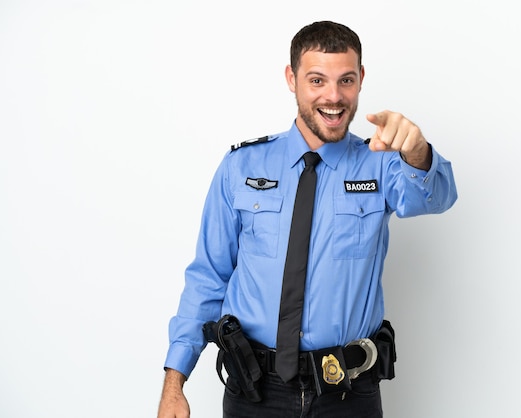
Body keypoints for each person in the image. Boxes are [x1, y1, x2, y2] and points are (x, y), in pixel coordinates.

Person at [157, 20, 457, 418]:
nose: (333, 97)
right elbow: (208, 278)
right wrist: (174, 383)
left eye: (346, 80)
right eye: (317, 80)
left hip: (348, 395)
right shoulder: (240, 167)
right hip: (255, 393)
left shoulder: (382, 163)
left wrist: (418, 152)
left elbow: (436, 197)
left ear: (361, 79)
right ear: (291, 78)